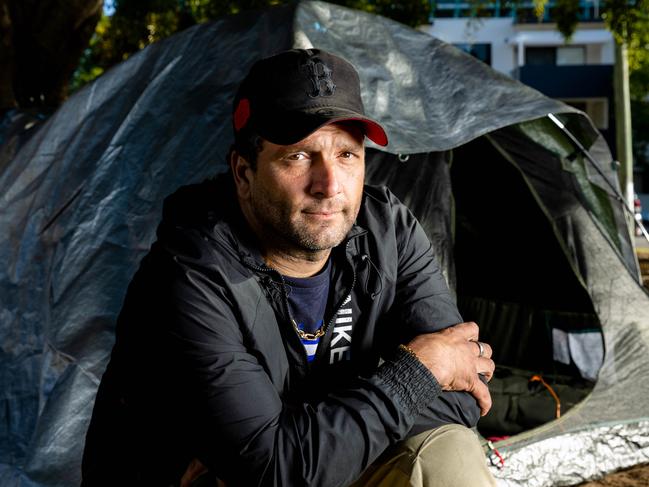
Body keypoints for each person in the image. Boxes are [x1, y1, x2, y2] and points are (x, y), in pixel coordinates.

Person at [82, 48, 496, 486]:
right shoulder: (189, 275)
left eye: (347, 155)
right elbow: (278, 472)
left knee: (446, 451)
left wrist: (292, 443)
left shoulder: (388, 233)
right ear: (243, 173)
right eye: (298, 156)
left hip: (311, 468)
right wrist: (419, 371)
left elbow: (469, 389)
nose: (329, 185)